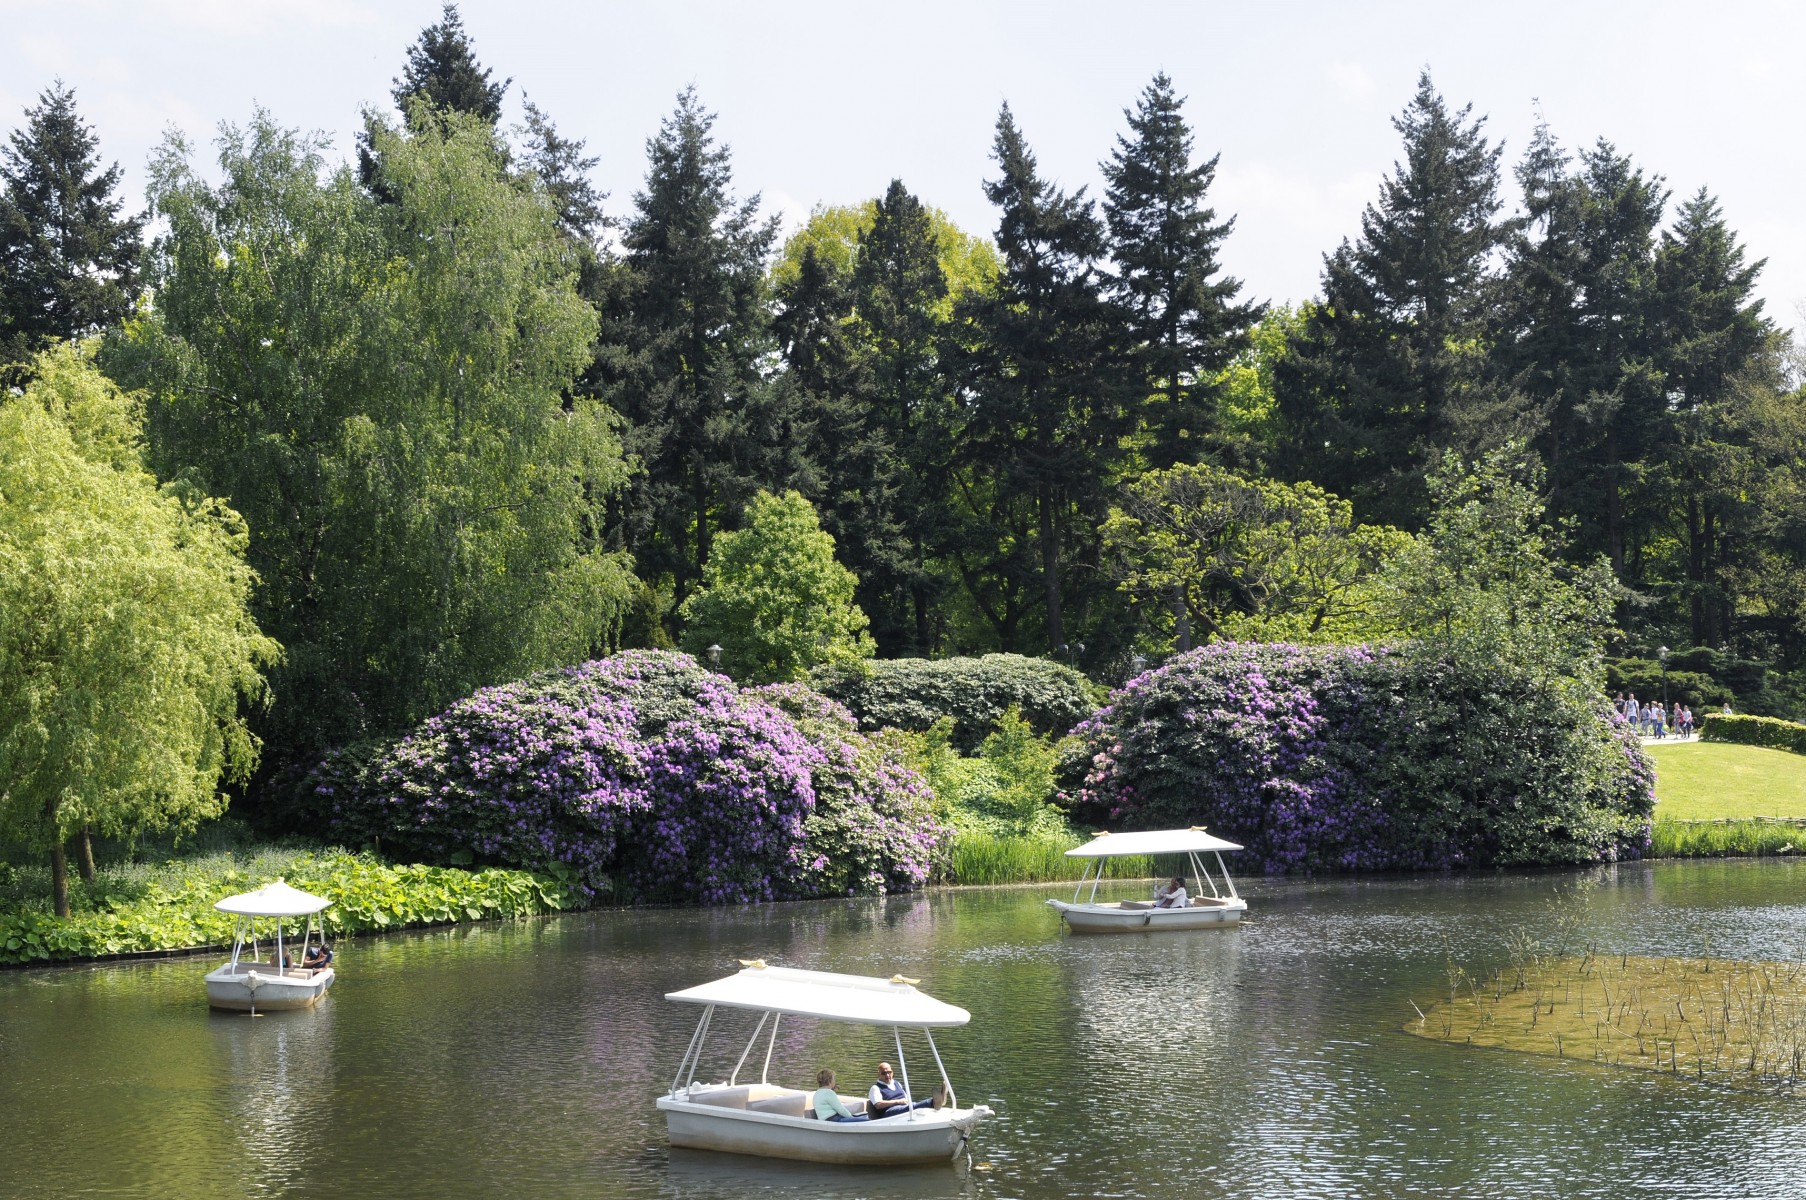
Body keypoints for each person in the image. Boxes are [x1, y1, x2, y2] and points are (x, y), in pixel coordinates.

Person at [867, 1062, 941, 1118]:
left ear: (892, 1072)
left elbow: (906, 1099)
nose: (887, 1075)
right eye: (884, 1073)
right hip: (888, 1113)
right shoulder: (875, 1088)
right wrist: (897, 1101)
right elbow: (878, 1105)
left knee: (913, 1105)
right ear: (879, 1074)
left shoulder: (897, 1083)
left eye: (889, 1072)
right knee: (912, 1106)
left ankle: (936, 1102)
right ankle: (932, 1102)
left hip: (902, 1109)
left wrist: (905, 1102)